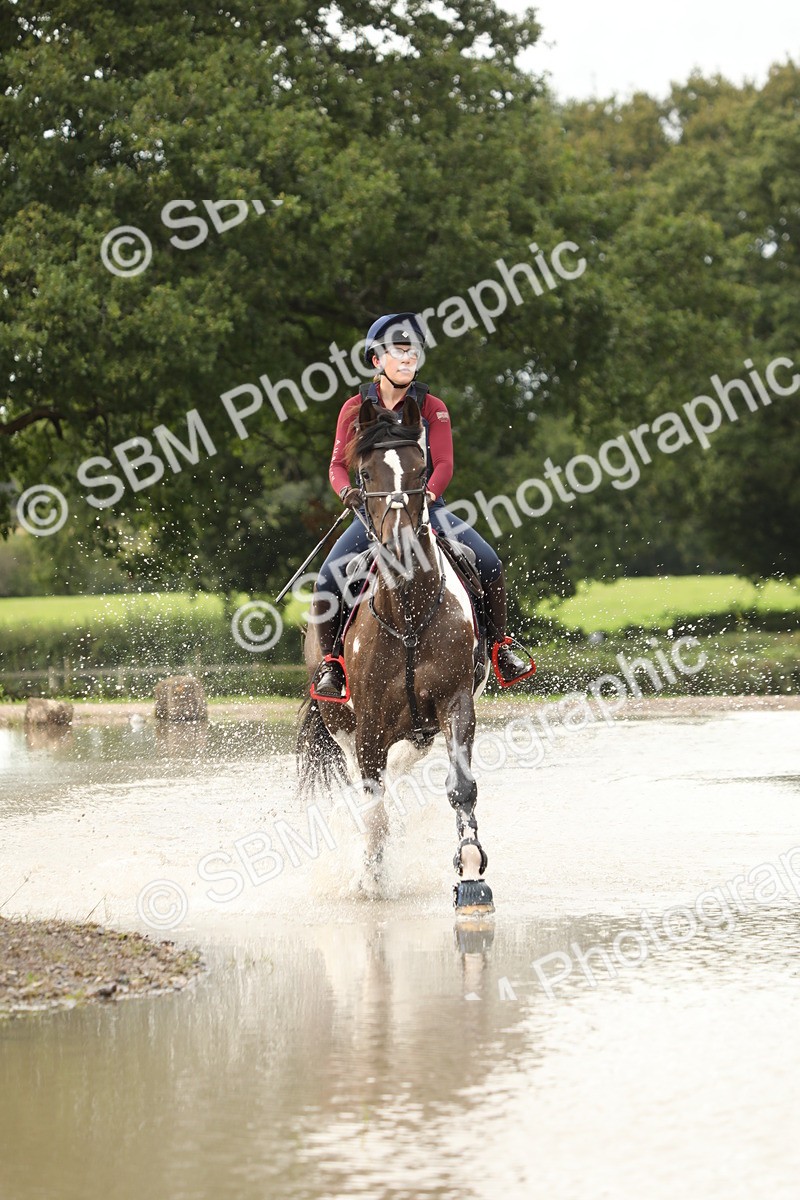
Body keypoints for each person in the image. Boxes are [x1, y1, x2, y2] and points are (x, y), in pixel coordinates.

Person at [310, 312, 534, 699]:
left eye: (413, 352)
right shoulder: (353, 408)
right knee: (327, 580)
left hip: (426, 507)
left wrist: (426, 496)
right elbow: (336, 466)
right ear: (377, 360)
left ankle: (501, 648)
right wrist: (348, 493)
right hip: (372, 515)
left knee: (490, 563)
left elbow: (444, 463)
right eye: (400, 352)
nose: (409, 359)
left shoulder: (432, 406)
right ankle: (333, 664)